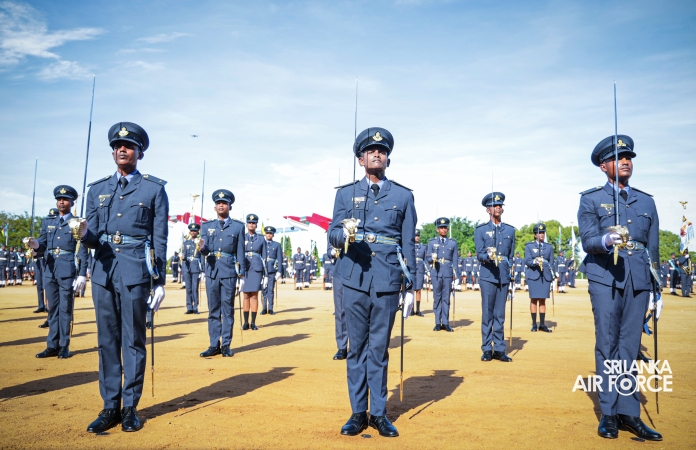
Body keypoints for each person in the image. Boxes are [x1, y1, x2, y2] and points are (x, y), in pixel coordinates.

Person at [74, 123, 169, 433]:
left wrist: (158, 281)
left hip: (135, 272)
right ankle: (109, 406)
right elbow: (92, 239)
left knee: (133, 340)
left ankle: (130, 407)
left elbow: (159, 238)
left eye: (128, 146)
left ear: (140, 152)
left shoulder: (153, 189)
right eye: (117, 146)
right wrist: (83, 235)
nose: (122, 149)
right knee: (106, 341)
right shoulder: (96, 189)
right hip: (103, 271)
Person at [329, 127, 416, 438]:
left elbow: (408, 243)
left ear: (388, 159)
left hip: (387, 279)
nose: (377, 154)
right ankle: (357, 412)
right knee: (357, 349)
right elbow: (332, 234)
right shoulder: (345, 194)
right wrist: (342, 234)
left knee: (378, 349)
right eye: (370, 151)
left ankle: (378, 413)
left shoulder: (403, 196)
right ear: (360, 159)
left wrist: (411, 286)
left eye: (382, 151)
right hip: (354, 276)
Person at [578, 134, 661, 441]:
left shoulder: (646, 201)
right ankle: (609, 413)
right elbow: (588, 240)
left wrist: (657, 290)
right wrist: (605, 240)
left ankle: (629, 413)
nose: (626, 161)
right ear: (603, 166)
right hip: (605, 277)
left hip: (638, 279)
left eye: (628, 158)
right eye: (618, 158)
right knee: (608, 344)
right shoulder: (590, 199)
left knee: (630, 346)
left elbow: (653, 247)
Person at [25, 185, 88, 359]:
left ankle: (64, 345)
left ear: (72, 202)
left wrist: (82, 273)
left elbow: (83, 250)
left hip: (68, 269)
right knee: (52, 309)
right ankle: (52, 345)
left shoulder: (77, 222)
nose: (61, 202)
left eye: (65, 200)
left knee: (65, 309)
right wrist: (35, 245)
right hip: (50, 269)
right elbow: (42, 244)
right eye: (59, 200)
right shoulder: (48, 222)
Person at [198, 190, 245, 357]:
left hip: (229, 272)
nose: (221, 205)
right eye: (218, 203)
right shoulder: (206, 226)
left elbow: (240, 252)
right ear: (214, 207)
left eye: (224, 203)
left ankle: (226, 345)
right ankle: (213, 344)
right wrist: (202, 248)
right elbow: (204, 251)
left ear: (230, 207)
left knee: (228, 309)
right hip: (212, 271)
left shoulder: (238, 227)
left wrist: (241, 275)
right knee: (213, 309)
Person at [474, 192, 515, 362]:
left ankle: (499, 348)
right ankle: (486, 348)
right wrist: (488, 257)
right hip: (488, 275)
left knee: (500, 314)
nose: (498, 207)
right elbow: (479, 254)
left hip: (503, 276)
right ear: (487, 210)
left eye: (500, 205)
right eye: (494, 205)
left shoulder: (510, 230)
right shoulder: (481, 230)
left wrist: (511, 275)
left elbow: (510, 256)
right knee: (487, 314)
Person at [427, 218, 459, 331]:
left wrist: (457, 275)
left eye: (445, 227)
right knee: (437, 297)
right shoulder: (432, 242)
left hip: (448, 272)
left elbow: (455, 260)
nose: (444, 230)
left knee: (446, 298)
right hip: (436, 272)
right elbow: (428, 259)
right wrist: (432, 258)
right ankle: (437, 322)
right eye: (441, 228)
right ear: (437, 229)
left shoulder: (453, 243)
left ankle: (445, 322)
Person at [524, 223, 554, 332]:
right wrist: (535, 261)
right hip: (533, 276)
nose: (542, 235)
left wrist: (551, 275)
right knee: (533, 300)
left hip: (544, 277)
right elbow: (527, 261)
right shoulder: (529, 246)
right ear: (535, 235)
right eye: (539, 233)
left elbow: (551, 262)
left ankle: (542, 324)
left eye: (543, 233)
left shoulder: (549, 247)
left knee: (542, 300)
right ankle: (534, 324)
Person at [241, 214, 266, 330]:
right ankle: (246, 322)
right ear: (246, 224)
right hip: (245, 268)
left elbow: (264, 257)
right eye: (249, 223)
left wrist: (265, 274)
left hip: (256, 269)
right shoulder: (242, 237)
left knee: (255, 295)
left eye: (253, 223)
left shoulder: (261, 238)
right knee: (246, 295)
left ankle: (253, 322)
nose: (251, 224)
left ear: (256, 225)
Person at [181, 223, 203, 314]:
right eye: (191, 231)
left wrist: (203, 269)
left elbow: (202, 256)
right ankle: (189, 307)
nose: (193, 232)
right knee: (188, 288)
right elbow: (184, 254)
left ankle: (195, 307)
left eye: (195, 231)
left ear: (198, 232)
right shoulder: (186, 243)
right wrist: (183, 257)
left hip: (196, 267)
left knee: (195, 288)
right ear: (189, 232)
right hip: (187, 267)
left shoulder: (200, 243)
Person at [261, 226, 282, 314]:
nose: (268, 235)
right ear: (265, 234)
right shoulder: (261, 244)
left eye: (270, 233)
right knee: (263, 290)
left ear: (273, 235)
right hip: (262, 270)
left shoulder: (277, 245)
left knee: (270, 289)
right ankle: (264, 308)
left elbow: (279, 259)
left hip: (272, 270)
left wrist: (279, 271)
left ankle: (270, 308)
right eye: (267, 233)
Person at [412, 229, 426, 316]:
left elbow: (425, 260)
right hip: (411, 269)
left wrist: (427, 270)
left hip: (420, 270)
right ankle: (411, 309)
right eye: (415, 236)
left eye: (418, 236)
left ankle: (418, 309)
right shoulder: (409, 246)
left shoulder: (423, 247)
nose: (417, 237)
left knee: (418, 290)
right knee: (411, 290)